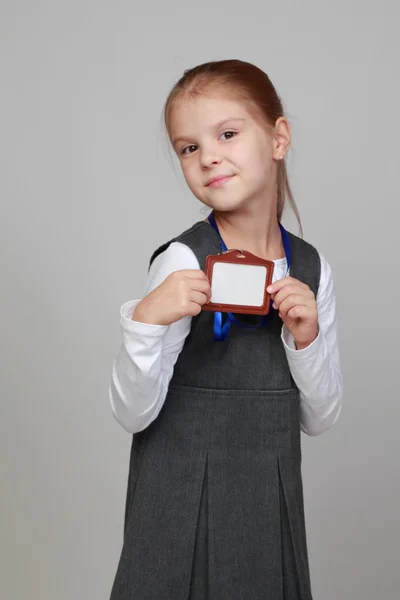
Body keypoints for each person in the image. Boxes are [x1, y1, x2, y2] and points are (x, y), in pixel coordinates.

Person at [109, 59, 343, 600]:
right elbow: (132, 411)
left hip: (268, 502)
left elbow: (321, 417)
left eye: (228, 134)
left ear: (278, 137)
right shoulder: (180, 261)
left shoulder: (310, 269)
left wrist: (304, 339)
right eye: (188, 147)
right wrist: (147, 318)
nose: (208, 155)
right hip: (178, 499)